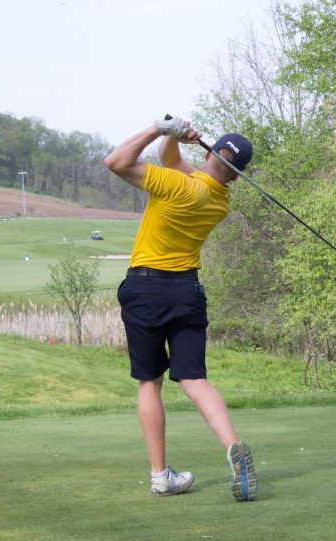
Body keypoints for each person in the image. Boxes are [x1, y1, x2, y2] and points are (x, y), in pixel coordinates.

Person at [104, 115, 256, 501]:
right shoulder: (218, 199)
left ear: (211, 153)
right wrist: (175, 137)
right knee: (194, 379)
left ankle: (160, 476)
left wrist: (158, 128)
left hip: (146, 289)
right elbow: (173, 162)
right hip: (186, 291)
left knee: (149, 382)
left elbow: (116, 162)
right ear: (236, 175)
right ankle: (232, 446)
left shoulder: (177, 186)